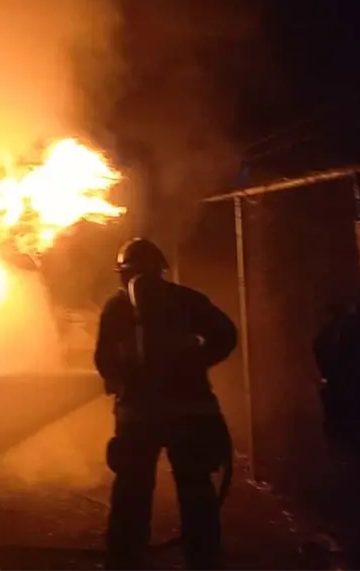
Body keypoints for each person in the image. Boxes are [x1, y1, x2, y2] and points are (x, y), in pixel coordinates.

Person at [96, 237, 238, 571]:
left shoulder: (116, 307)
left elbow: (103, 358)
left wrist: (122, 377)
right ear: (161, 271)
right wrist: (196, 361)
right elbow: (226, 335)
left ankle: (125, 561)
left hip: (138, 417)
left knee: (132, 491)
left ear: (123, 273)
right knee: (196, 491)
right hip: (192, 412)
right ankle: (204, 561)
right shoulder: (187, 300)